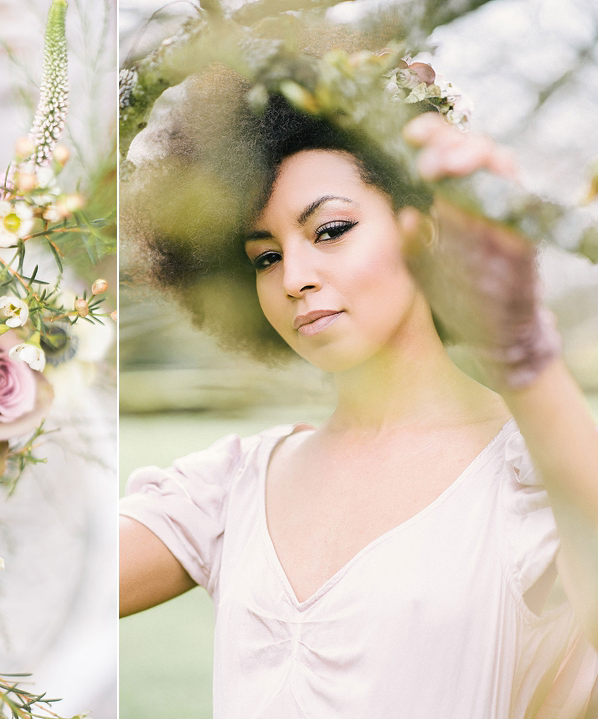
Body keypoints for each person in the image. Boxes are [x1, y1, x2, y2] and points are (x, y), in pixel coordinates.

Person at [119, 63, 598, 718]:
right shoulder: (229, 488)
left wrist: (519, 345)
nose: (295, 276)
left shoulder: (537, 476)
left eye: (331, 230)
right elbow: (31, 577)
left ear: (422, 228)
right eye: (265, 256)